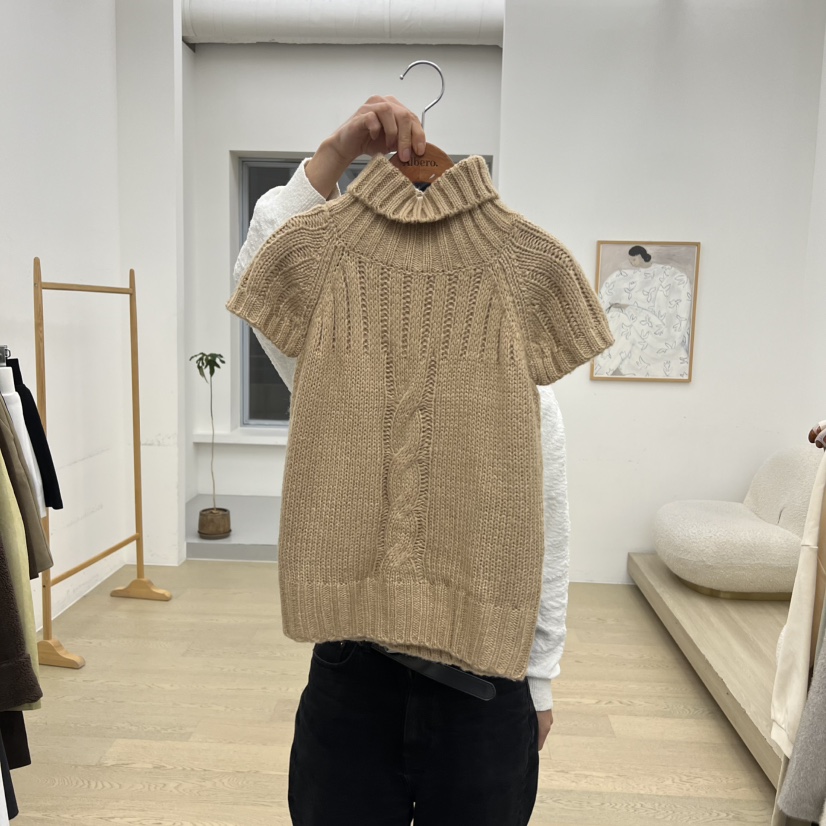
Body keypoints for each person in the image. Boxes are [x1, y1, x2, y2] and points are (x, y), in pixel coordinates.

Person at [231, 96, 576, 825]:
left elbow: (548, 527)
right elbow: (262, 267)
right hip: (355, 664)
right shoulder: (330, 329)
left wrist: (541, 678)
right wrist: (335, 152)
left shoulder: (520, 312)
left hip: (487, 679)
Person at [593, 244, 693, 379]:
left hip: (652, 326)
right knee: (617, 320)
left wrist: (630, 309)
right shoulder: (626, 276)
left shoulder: (666, 274)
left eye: (633, 259)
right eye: (630, 260)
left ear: (641, 257)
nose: (631, 263)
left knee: (620, 322)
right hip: (629, 320)